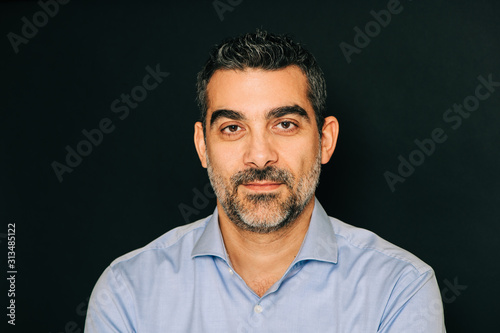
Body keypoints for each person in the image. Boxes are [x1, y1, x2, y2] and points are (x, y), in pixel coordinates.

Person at [85, 30, 446, 332]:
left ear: (325, 140)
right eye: (232, 128)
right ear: (203, 146)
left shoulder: (399, 289)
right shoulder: (127, 291)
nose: (259, 156)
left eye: (285, 124)